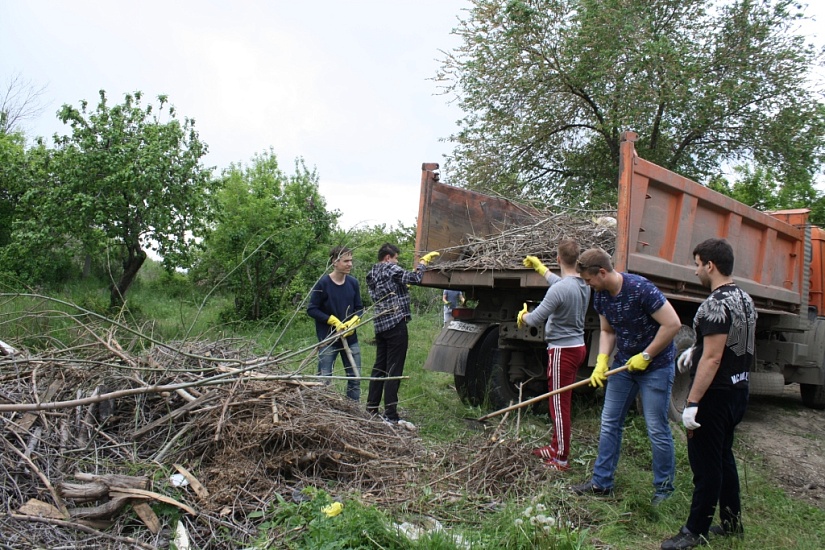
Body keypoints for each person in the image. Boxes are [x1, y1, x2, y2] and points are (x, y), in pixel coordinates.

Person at [661, 239, 755, 550]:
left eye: (698, 263)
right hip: (738, 389)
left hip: (714, 395)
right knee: (724, 457)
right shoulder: (744, 299)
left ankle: (694, 531)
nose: (696, 269)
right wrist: (695, 349)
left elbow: (714, 359)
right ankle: (732, 522)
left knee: (705, 466)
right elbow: (726, 344)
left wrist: (693, 403)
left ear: (710, 266)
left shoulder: (713, 304)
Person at [571, 247, 681, 504]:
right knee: (610, 422)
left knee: (656, 428)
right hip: (624, 366)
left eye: (588, 279)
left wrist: (647, 356)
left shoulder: (641, 289)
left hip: (656, 366)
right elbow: (608, 331)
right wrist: (601, 362)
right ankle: (602, 483)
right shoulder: (599, 296)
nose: (588, 285)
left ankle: (664, 491)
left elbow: (673, 324)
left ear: (601, 272)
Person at [518, 239, 590, 471]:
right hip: (577, 347)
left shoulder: (559, 289)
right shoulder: (583, 284)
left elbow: (535, 319)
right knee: (561, 403)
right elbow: (562, 284)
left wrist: (523, 316)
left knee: (559, 405)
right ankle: (555, 446)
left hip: (562, 351)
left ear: (559, 258)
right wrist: (542, 270)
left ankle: (560, 458)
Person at [365, 243, 439, 423]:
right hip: (396, 324)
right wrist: (423, 262)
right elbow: (415, 277)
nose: (397, 261)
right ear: (388, 257)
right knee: (394, 369)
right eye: (396, 258)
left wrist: (402, 289)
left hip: (380, 325)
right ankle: (390, 414)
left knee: (379, 367)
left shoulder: (372, 273)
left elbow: (387, 290)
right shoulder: (390, 267)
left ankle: (371, 408)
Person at [307, 246, 363, 401]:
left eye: (351, 260)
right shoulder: (323, 283)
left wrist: (354, 322)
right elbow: (312, 309)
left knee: (355, 378)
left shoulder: (353, 283)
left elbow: (359, 308)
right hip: (328, 338)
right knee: (324, 379)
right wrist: (332, 321)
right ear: (334, 262)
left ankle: (354, 412)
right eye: (346, 261)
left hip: (350, 339)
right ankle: (322, 410)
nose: (350, 264)